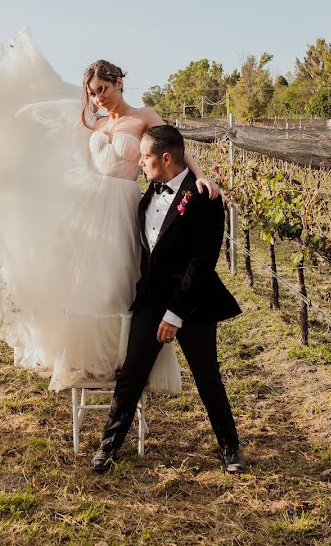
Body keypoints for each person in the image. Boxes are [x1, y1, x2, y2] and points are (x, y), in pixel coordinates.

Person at [0, 29, 218, 392]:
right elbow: (48, 130)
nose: (98, 98)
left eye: (103, 89)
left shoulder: (143, 116)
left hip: (123, 204)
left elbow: (177, 148)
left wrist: (201, 177)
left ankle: (126, 360)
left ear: (119, 83)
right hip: (89, 205)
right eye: (92, 93)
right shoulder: (93, 122)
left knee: (119, 283)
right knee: (89, 282)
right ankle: (90, 361)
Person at [91, 124, 246, 474]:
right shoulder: (148, 192)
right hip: (151, 299)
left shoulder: (205, 197)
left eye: (145, 156)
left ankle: (230, 447)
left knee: (207, 376)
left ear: (165, 158)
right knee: (132, 374)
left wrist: (175, 314)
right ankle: (108, 446)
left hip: (192, 302)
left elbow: (201, 264)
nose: (140, 162)